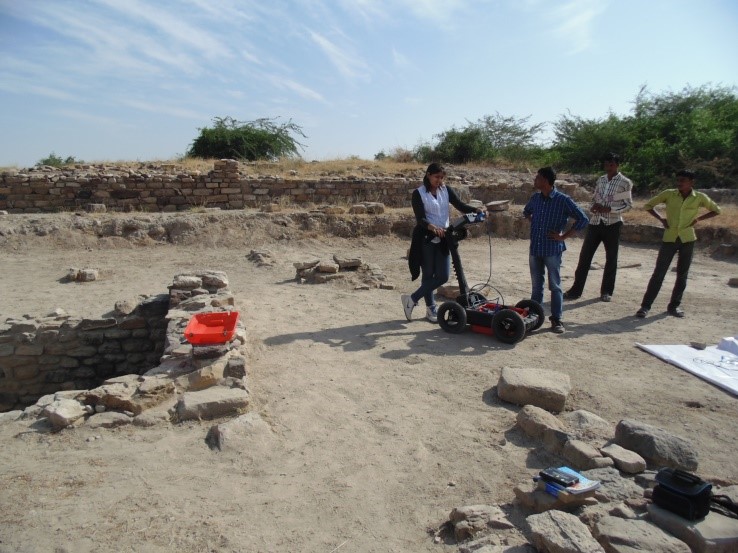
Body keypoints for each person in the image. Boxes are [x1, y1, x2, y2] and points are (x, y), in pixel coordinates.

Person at [402, 163, 483, 322]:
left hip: (445, 236)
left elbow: (460, 205)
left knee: (443, 276)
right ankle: (431, 308)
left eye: (441, 177)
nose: (439, 180)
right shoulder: (418, 193)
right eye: (436, 177)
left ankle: (411, 299)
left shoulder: (446, 190)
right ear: (428, 175)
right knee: (428, 274)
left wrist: (475, 210)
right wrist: (432, 227)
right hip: (426, 238)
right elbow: (420, 219)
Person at [636, 169, 721, 318]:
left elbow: (716, 210)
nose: (679, 183)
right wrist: (661, 219)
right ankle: (645, 306)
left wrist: (699, 219)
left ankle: (674, 306)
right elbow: (648, 206)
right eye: (678, 180)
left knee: (682, 275)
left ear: (691, 182)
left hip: (687, 239)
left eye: (683, 180)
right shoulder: (669, 194)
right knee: (659, 273)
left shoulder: (699, 197)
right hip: (670, 238)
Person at [523, 167, 589, 334]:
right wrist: (536, 223)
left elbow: (583, 219)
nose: (535, 181)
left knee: (555, 286)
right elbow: (527, 212)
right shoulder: (536, 198)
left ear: (545, 180)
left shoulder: (562, 200)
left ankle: (556, 319)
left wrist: (564, 236)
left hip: (552, 249)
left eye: (537, 178)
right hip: (536, 248)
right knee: (537, 286)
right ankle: (534, 316)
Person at [564, 153, 633, 302]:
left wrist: (610, 209)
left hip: (612, 223)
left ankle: (607, 291)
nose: (608, 166)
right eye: (607, 163)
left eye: (612, 164)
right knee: (585, 258)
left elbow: (628, 205)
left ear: (617, 165)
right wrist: (593, 207)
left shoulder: (624, 182)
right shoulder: (601, 180)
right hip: (595, 222)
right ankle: (576, 290)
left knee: (611, 258)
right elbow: (595, 198)